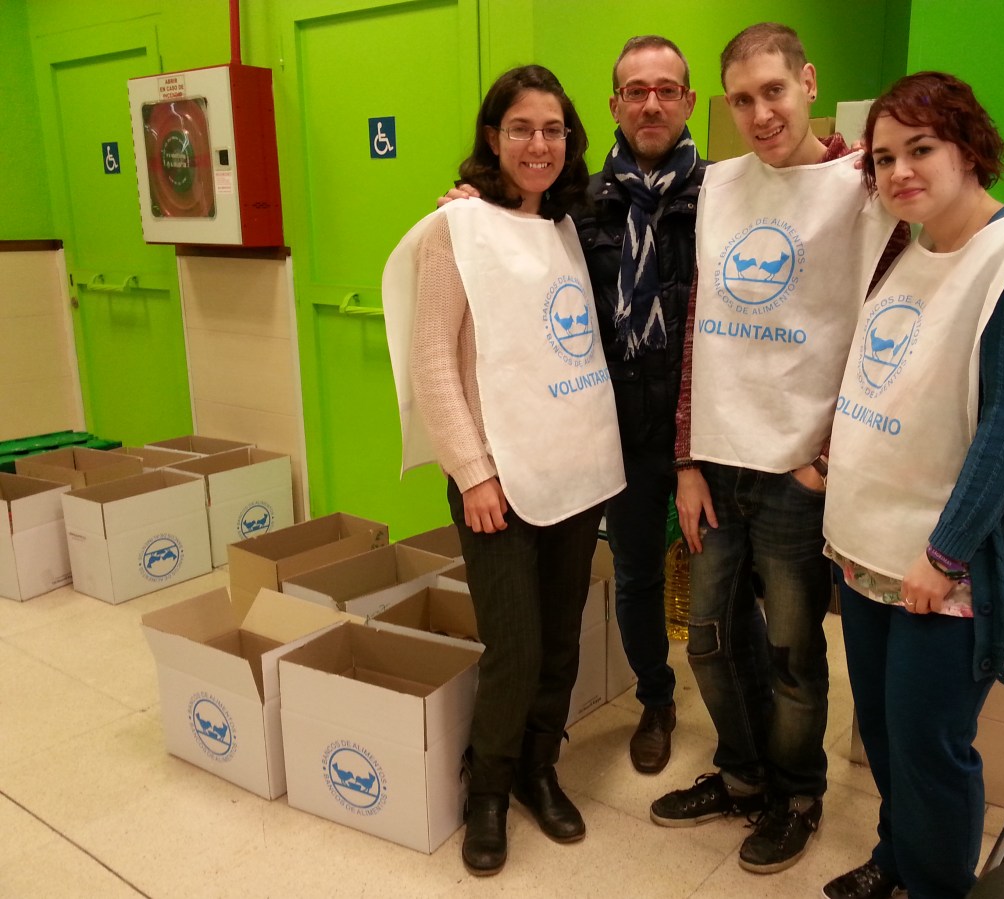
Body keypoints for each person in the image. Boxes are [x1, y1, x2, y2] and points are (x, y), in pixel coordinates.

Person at [821, 71, 1004, 899]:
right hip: (867, 544)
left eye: (921, 148)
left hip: (948, 561)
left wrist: (944, 553)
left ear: (968, 148)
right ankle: (897, 858)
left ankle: (938, 887)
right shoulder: (909, 248)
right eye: (883, 157)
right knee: (885, 731)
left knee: (931, 742)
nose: (899, 171)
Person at [652, 22, 902, 876]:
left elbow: (885, 333)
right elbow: (700, 331)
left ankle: (796, 793)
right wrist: (686, 459)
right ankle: (743, 773)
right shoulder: (721, 187)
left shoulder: (862, 189)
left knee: (794, 651)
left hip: (797, 470)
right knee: (709, 639)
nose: (760, 114)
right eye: (742, 99)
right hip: (719, 462)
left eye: (774, 91)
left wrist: (825, 456)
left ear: (808, 81)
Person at [382, 65, 625, 877]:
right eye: (521, 128)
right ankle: (486, 788)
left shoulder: (563, 226)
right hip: (497, 482)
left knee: (559, 641)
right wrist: (473, 471)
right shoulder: (457, 230)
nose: (538, 144)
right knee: (514, 648)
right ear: (493, 137)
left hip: (569, 470)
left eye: (553, 130)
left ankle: (537, 768)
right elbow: (431, 361)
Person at [443, 35, 707, 775]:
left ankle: (742, 741)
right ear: (614, 104)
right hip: (611, 434)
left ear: (688, 101)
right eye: (635, 91)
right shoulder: (577, 205)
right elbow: (519, 260)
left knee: (724, 588)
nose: (651, 103)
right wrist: (476, 207)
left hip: (702, 433)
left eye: (666, 89)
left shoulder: (723, 197)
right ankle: (655, 700)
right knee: (636, 577)